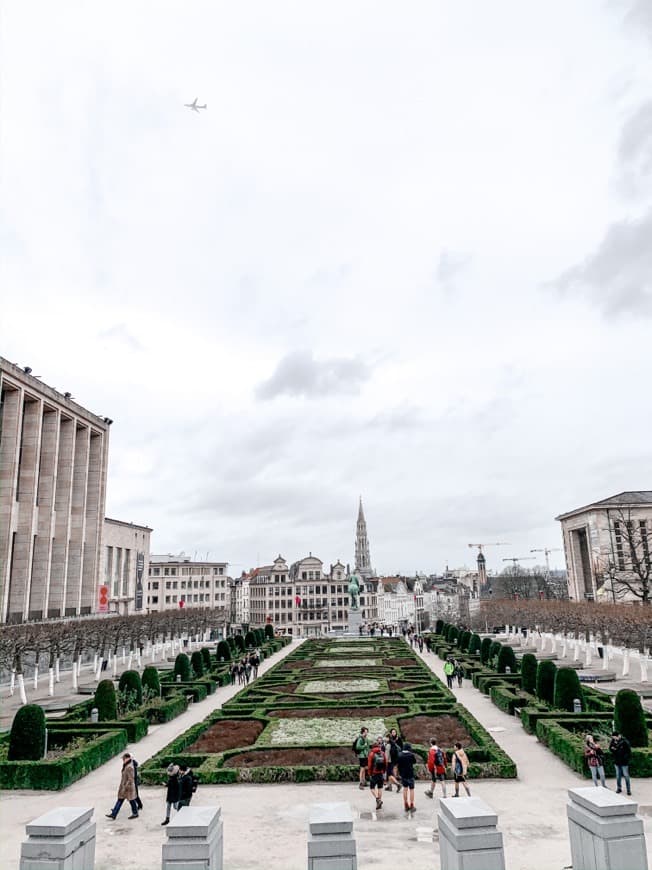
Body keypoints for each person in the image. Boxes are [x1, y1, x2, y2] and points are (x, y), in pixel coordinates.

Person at [106, 752, 140, 819]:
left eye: (124, 758)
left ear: (127, 758)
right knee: (121, 800)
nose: (123, 760)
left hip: (128, 788)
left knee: (131, 800)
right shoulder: (126, 765)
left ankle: (135, 813)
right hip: (124, 787)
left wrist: (125, 786)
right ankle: (114, 814)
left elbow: (131, 779)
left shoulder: (129, 767)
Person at [397, 741, 417, 814]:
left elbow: (398, 765)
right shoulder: (411, 755)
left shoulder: (399, 755)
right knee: (411, 789)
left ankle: (405, 804)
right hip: (410, 774)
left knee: (405, 789)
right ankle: (412, 805)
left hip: (403, 775)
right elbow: (414, 762)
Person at [367, 737, 387, 810]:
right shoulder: (382, 753)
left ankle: (378, 799)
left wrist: (369, 773)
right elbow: (385, 763)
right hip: (381, 773)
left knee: (372, 788)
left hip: (374, 773)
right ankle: (379, 803)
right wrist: (384, 771)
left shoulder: (371, 753)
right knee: (380, 788)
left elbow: (369, 765)